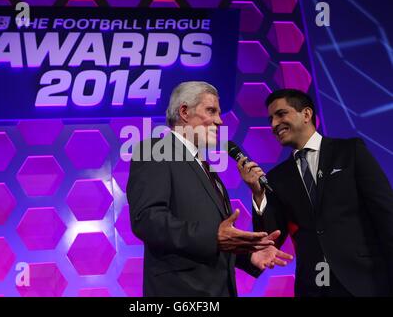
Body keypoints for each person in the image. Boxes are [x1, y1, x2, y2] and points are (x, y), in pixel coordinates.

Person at [126, 81, 292, 296]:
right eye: (211, 111)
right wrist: (214, 236)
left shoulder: (206, 168)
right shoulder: (155, 150)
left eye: (219, 113)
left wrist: (248, 255)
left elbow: (218, 238)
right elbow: (147, 220)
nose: (219, 120)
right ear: (184, 112)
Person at [238, 88, 393, 297]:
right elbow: (269, 239)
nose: (274, 124)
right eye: (271, 119)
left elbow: (385, 211)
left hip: (365, 281)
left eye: (281, 114)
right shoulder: (276, 177)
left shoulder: (349, 152)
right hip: (314, 287)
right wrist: (258, 194)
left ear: (307, 114)